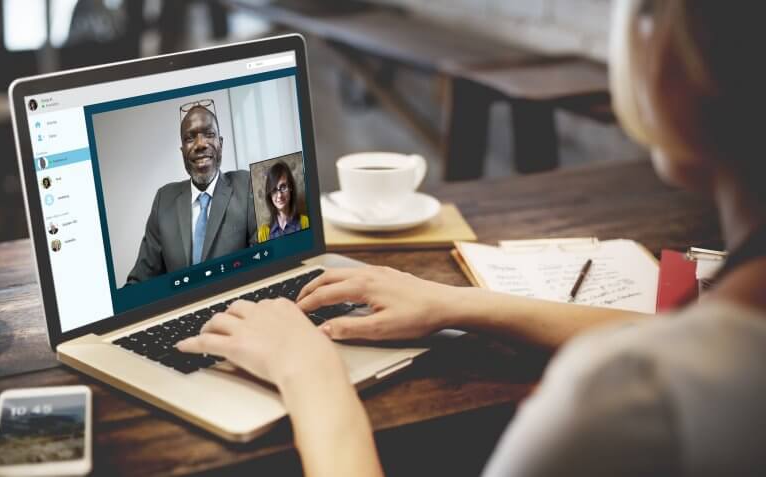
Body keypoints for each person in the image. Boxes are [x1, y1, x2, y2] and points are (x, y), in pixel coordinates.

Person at [177, 1, 766, 475]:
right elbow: (670, 333)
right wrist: (459, 303)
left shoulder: (626, 396)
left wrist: (311, 374)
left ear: (693, 66)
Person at [126, 104, 257, 285]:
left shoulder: (246, 185)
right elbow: (141, 279)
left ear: (221, 143)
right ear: (182, 152)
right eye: (189, 138)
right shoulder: (163, 200)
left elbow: (268, 259)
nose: (200, 144)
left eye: (209, 134)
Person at [258, 161, 309, 243]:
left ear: (291, 188)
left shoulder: (305, 223)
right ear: (269, 195)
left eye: (283, 187)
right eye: (274, 190)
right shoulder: (263, 233)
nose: (279, 195)